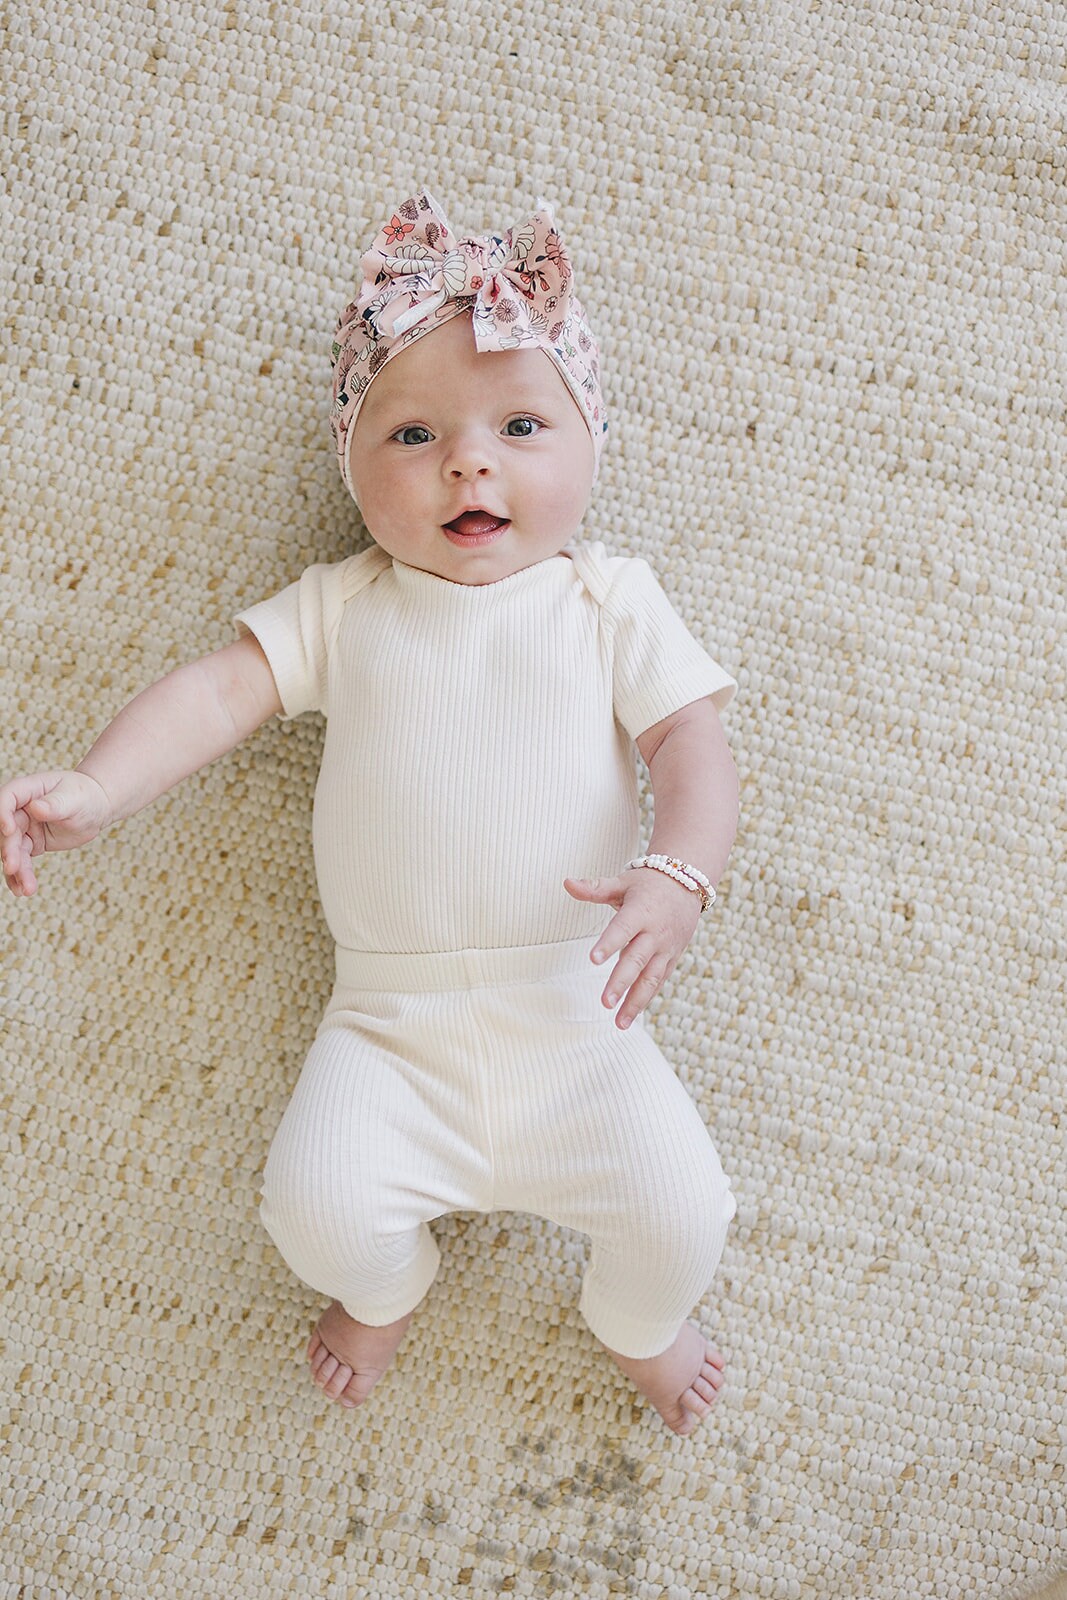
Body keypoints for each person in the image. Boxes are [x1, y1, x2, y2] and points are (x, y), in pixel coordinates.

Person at [1, 190, 741, 1437]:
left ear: (589, 444)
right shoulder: (348, 605)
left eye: (518, 424)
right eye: (412, 434)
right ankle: (387, 1284)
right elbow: (217, 692)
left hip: (580, 1009)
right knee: (314, 1208)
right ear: (349, 462)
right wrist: (98, 784)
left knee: (685, 1212)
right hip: (389, 1029)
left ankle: (638, 1325)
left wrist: (678, 871)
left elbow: (694, 750)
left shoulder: (606, 601)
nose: (468, 461)